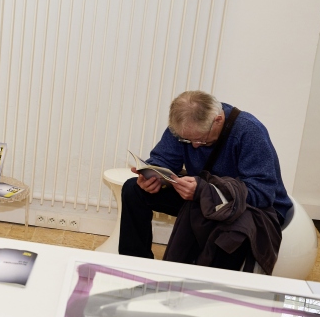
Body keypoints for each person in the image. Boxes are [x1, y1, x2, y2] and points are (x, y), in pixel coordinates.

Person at [119, 90, 292, 271]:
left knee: (231, 231)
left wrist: (206, 192)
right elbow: (164, 159)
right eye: (187, 140)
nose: (194, 145)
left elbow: (262, 192)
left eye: (201, 140)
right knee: (133, 190)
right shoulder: (184, 127)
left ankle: (207, 281)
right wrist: (154, 176)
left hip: (249, 205)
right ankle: (135, 266)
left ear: (218, 120)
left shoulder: (249, 131)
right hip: (204, 194)